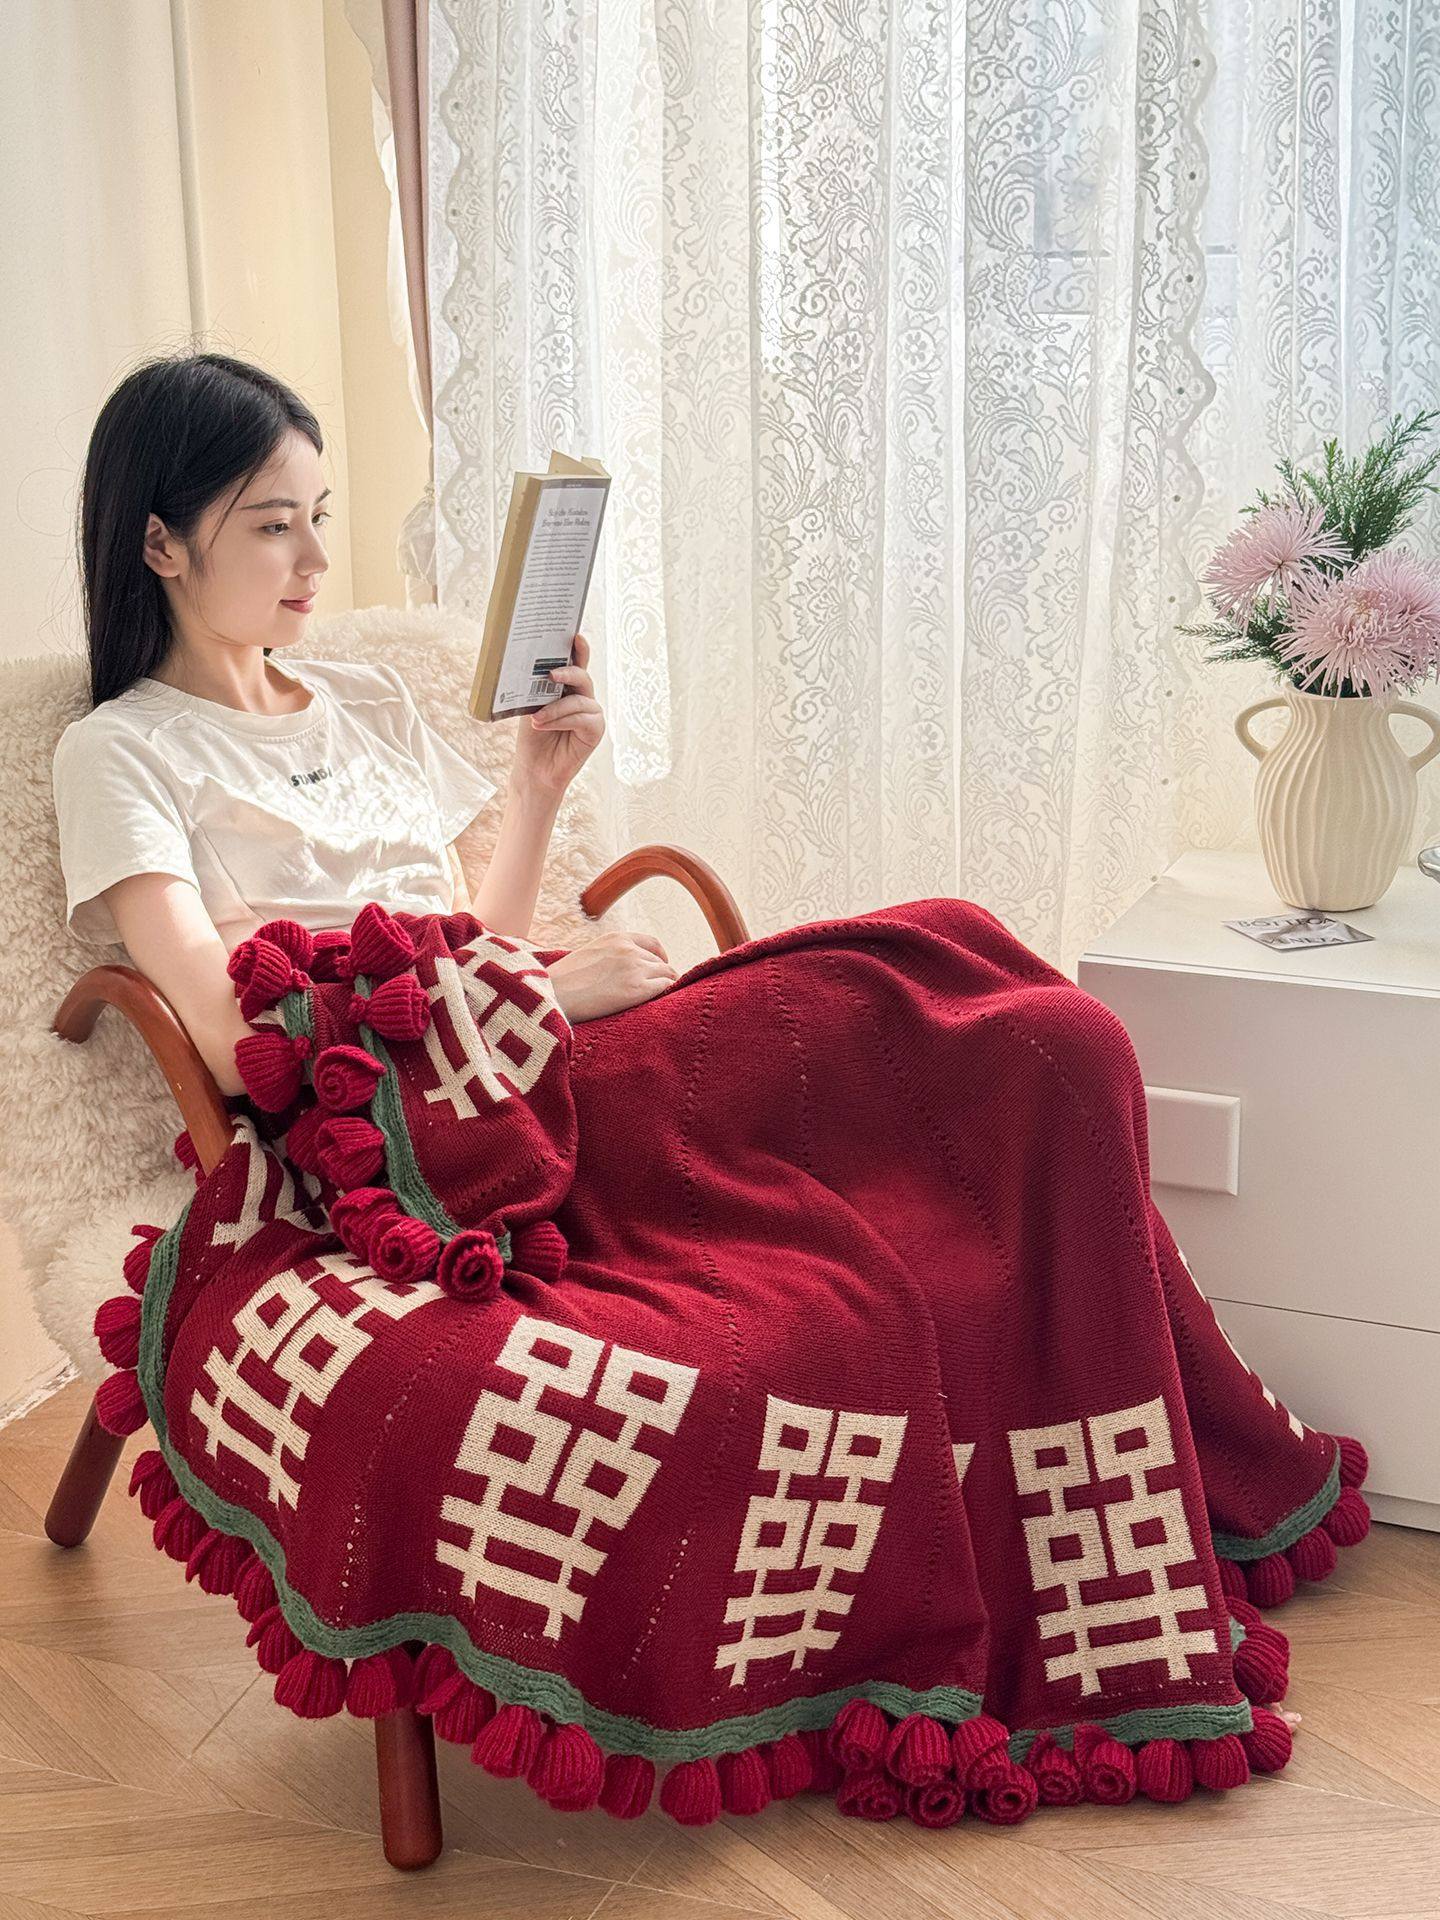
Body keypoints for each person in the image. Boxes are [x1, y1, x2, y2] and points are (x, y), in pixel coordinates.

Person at [52, 350, 676, 1100]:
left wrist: (536, 787)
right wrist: (540, 995)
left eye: (317, 517)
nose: (317, 558)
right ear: (162, 545)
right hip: (385, 1113)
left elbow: (476, 948)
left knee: (802, 987)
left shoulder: (373, 698)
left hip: (503, 1061)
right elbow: (235, 1049)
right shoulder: (119, 751)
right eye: (276, 526)